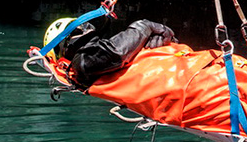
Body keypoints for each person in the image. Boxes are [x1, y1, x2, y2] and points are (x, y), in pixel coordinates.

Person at [42, 11, 175, 90]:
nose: (86, 26)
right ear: (66, 47)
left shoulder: (97, 52)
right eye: (79, 29)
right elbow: (118, 52)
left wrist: (155, 40)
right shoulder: (83, 61)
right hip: (180, 81)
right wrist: (146, 26)